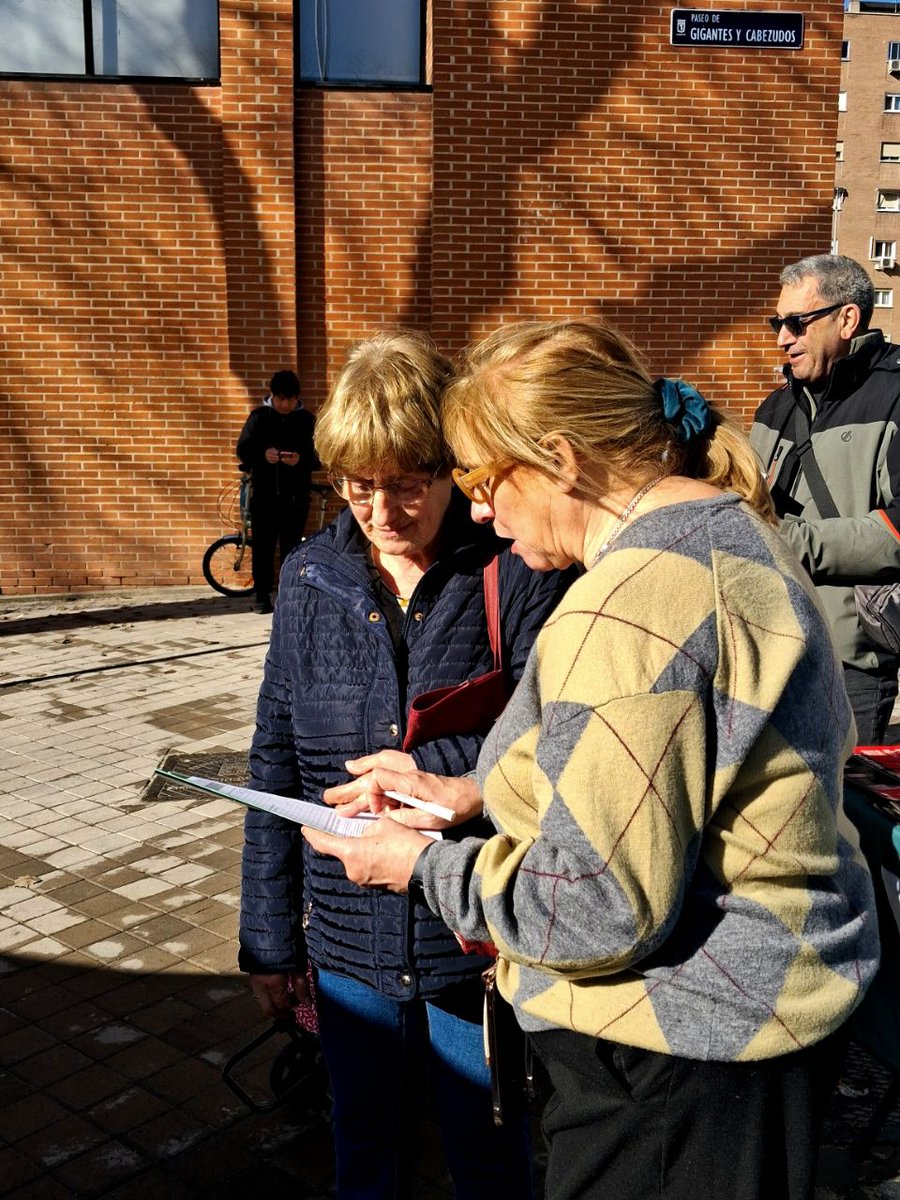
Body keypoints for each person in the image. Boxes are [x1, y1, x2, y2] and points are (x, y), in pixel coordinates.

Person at [303, 317, 880, 1200]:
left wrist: (421, 864)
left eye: (481, 477)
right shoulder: (724, 526)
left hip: (678, 1056)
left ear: (563, 459)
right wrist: (467, 792)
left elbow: (599, 908)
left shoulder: (627, 606)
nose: (481, 508)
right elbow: (677, 767)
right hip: (754, 1026)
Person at [238, 331, 573, 1199]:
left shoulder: (514, 568)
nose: (381, 510)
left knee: (492, 1153)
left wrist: (444, 780)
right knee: (363, 1152)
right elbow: (274, 763)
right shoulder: (310, 580)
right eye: (358, 487)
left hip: (473, 938)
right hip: (348, 940)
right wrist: (269, 941)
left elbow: (556, 743)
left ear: (449, 469)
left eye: (404, 483)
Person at [751, 254, 900, 744]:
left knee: (845, 816)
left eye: (796, 323)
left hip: (850, 663)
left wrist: (792, 542)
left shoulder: (895, 395)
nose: (781, 338)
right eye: (778, 323)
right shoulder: (774, 406)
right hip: (766, 653)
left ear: (847, 319)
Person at [236, 368, 317, 614]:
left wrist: (300, 459)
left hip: (296, 497)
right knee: (263, 547)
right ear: (272, 395)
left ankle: (289, 595)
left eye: (291, 400)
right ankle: (262, 595)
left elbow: (320, 456)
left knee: (292, 548)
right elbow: (243, 450)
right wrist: (263, 455)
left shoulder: (306, 420)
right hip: (264, 496)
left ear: (297, 398)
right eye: (281, 399)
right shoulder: (259, 417)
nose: (285, 404)